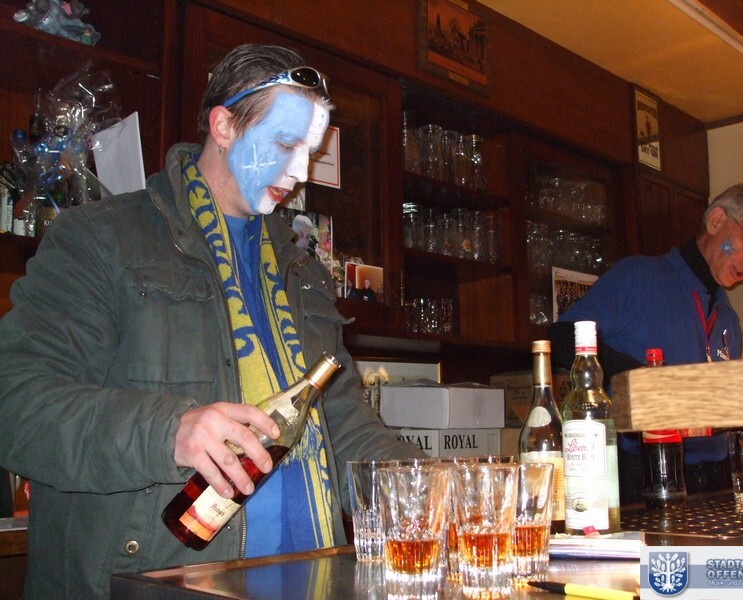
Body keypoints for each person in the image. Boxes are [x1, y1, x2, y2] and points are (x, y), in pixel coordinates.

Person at [0, 44, 425, 599]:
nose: (300, 173)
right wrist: (168, 431)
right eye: (285, 144)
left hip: (313, 579)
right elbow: (15, 402)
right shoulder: (100, 238)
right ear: (223, 126)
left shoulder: (304, 271)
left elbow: (340, 417)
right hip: (157, 587)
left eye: (310, 152)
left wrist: (427, 485)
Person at [548, 182, 743, 502]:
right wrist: (640, 377)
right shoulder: (639, 277)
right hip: (644, 476)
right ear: (716, 220)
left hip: (714, 478)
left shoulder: (728, 319)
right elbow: (562, 336)